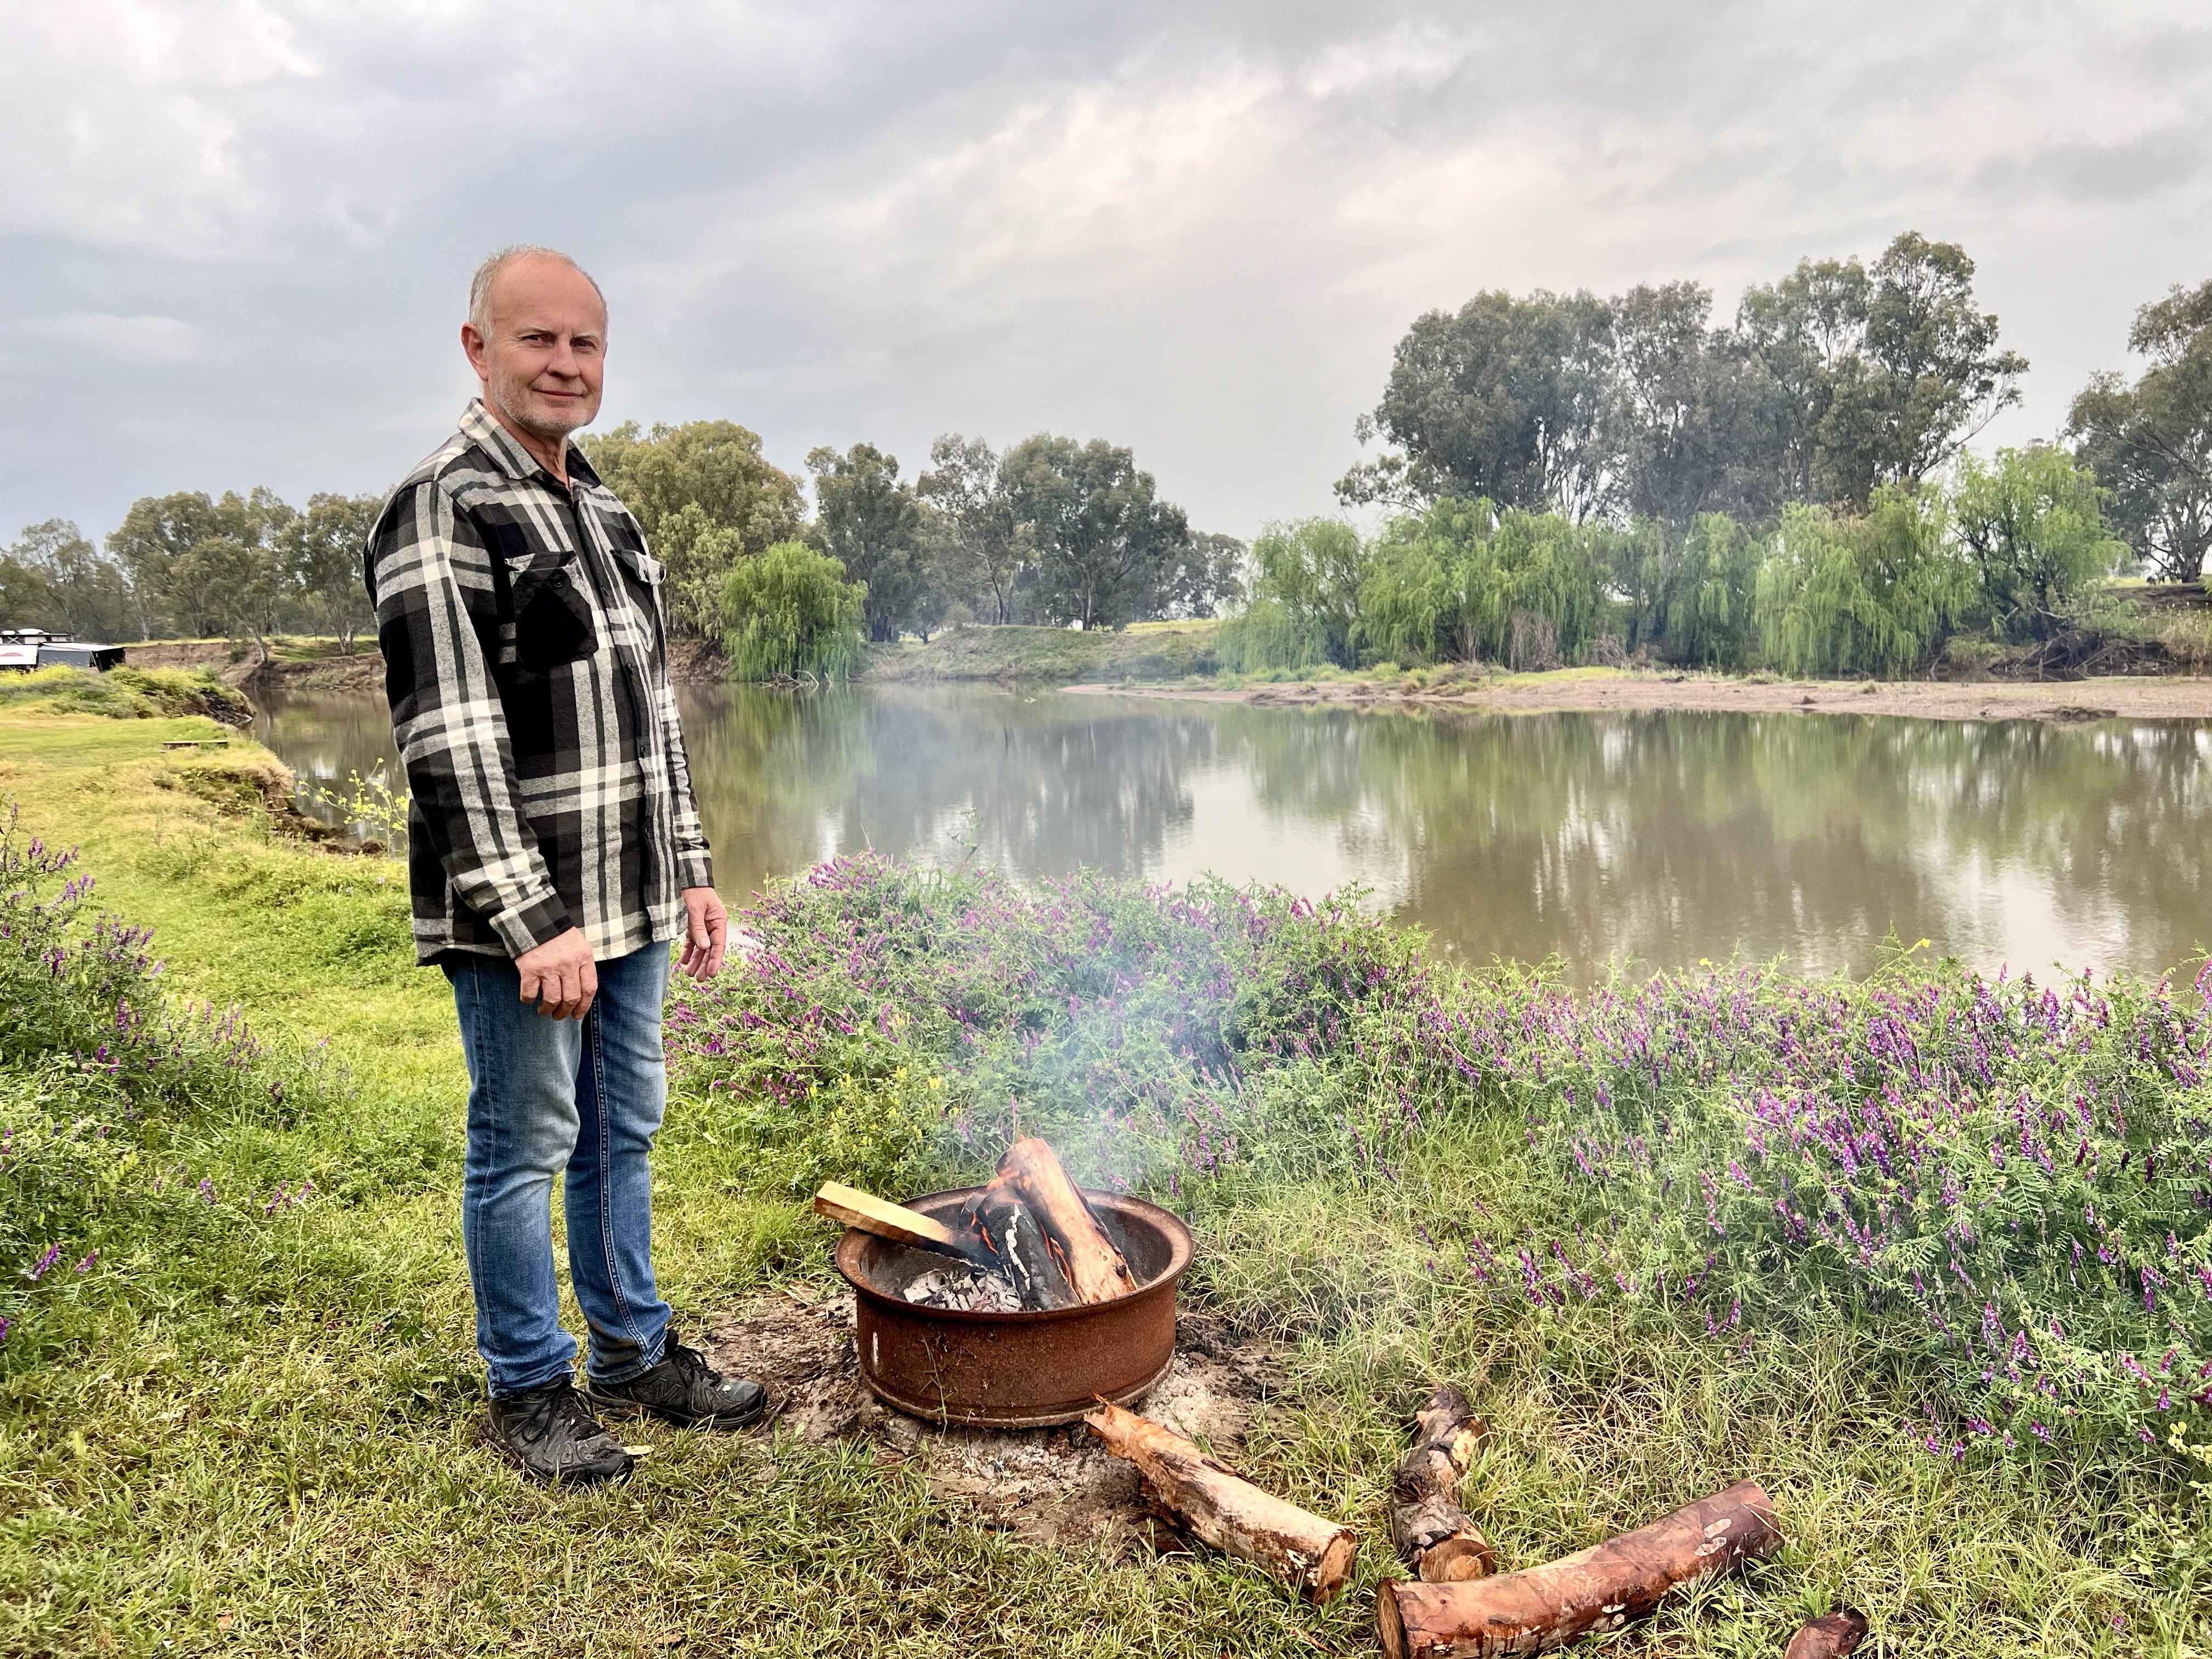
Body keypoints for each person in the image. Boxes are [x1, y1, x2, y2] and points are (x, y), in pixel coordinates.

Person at [365, 244, 766, 1484]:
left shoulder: (608, 512)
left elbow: (652, 721)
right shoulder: (442, 503)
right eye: (537, 339)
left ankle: (634, 1351)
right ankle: (528, 1386)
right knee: (526, 1141)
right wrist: (535, 920)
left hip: (637, 901)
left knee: (623, 1130)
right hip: (525, 923)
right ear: (478, 348)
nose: (565, 363)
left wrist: (693, 869)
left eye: (584, 344)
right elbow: (451, 734)